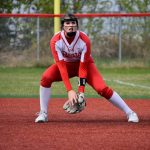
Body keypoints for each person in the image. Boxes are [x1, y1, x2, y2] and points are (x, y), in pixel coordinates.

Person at [35, 13, 139, 123]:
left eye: (73, 23)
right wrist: (70, 90)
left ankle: (130, 113)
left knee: (102, 89)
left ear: (77, 25)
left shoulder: (84, 40)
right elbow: (61, 67)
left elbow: (83, 67)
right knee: (46, 78)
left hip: (85, 65)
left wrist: (81, 91)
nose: (71, 25)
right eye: (67, 23)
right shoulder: (56, 41)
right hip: (66, 65)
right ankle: (43, 113)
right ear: (63, 26)